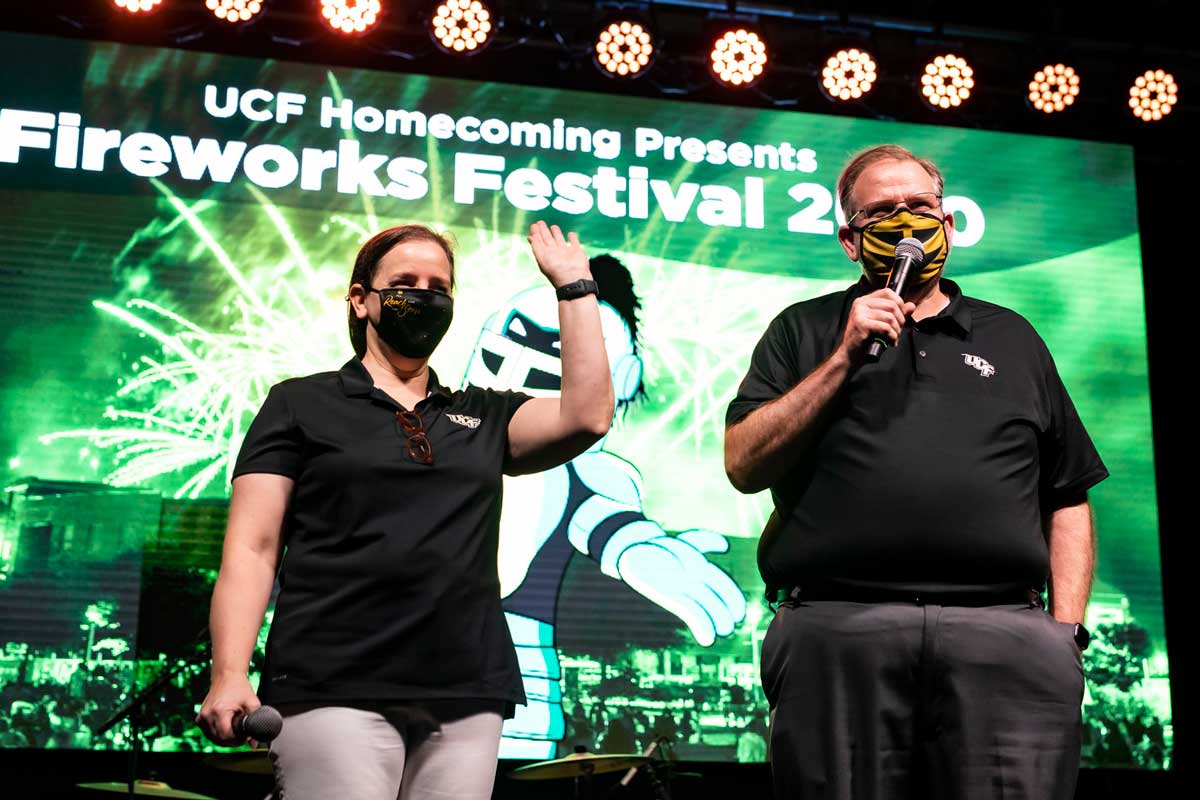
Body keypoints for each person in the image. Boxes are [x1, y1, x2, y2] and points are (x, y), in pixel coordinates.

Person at [724, 145, 1107, 799]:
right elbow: (744, 463)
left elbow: (1066, 493)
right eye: (881, 213)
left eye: (920, 208)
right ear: (850, 239)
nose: (906, 226)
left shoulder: (1012, 337)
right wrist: (846, 353)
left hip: (1005, 636)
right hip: (840, 630)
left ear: (949, 224)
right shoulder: (804, 329)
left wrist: (1065, 632)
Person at [196, 221, 615, 800]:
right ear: (361, 299)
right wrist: (228, 674)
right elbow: (252, 548)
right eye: (405, 282)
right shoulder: (299, 403)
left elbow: (588, 416)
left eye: (438, 285)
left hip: (466, 688)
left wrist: (574, 288)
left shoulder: (483, 415)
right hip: (332, 680)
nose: (423, 295)